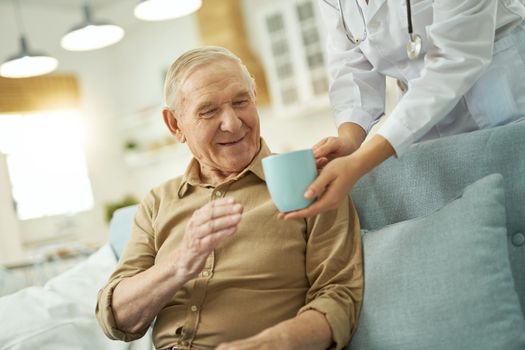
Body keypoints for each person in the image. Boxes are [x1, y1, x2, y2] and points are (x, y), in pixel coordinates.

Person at [95, 46, 363, 350]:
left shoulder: (312, 181)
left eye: (241, 102)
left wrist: (270, 344)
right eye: (208, 111)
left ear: (255, 98)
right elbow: (117, 318)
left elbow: (339, 298)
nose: (233, 123)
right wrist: (181, 263)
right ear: (175, 125)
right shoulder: (157, 203)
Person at [281, 0, 525, 220]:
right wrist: (349, 139)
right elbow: (350, 65)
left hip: (502, 100)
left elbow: (457, 57)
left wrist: (361, 162)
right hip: (424, 124)